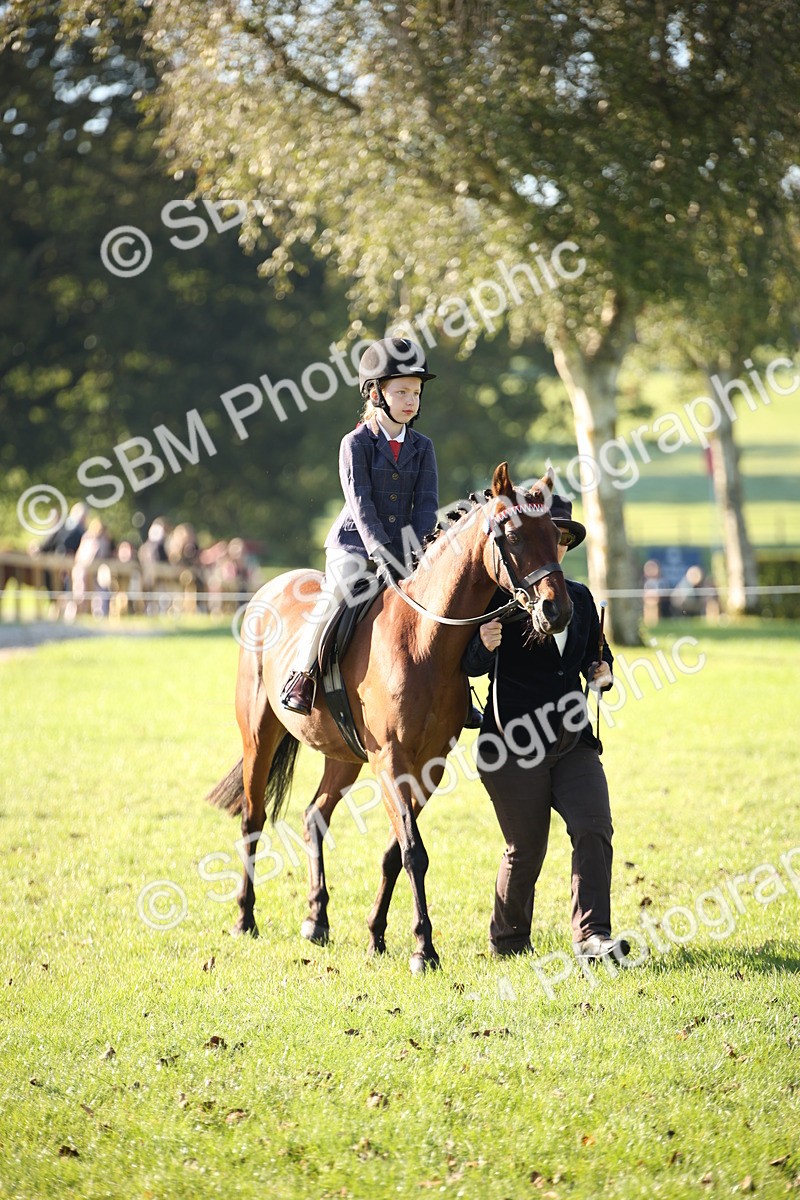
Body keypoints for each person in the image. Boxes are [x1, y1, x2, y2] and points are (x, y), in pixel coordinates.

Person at [461, 495, 631, 965]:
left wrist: (604, 672)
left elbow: (598, 654)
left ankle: (592, 937)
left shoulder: (578, 598)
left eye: (557, 538)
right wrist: (482, 643)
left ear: (563, 545)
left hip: (574, 741)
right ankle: (509, 942)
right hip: (512, 747)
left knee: (594, 828)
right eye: (542, 537)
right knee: (526, 849)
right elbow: (471, 668)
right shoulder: (501, 600)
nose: (550, 545)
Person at [280, 337, 440, 716]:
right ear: (375, 393)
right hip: (354, 544)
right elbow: (362, 505)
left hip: (406, 547)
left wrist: (415, 553)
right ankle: (303, 674)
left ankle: (453, 687)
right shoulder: (355, 443)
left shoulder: (424, 446)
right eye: (401, 391)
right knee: (337, 592)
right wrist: (382, 554)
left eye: (415, 392)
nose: (410, 400)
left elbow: (426, 506)